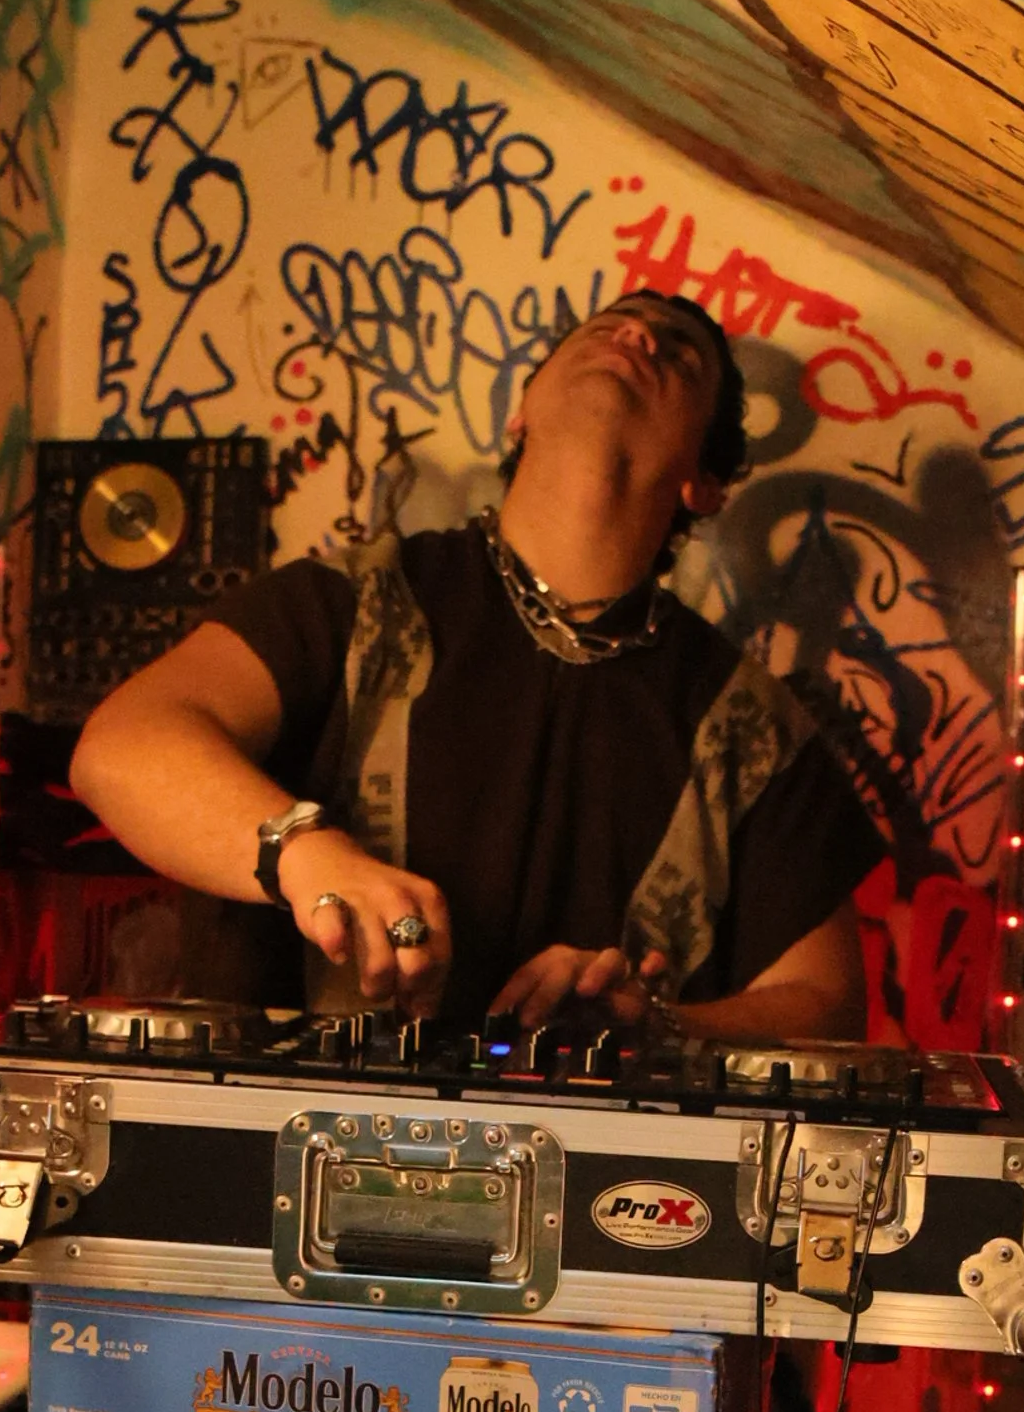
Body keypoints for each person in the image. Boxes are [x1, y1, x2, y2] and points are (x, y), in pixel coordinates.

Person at [69, 290, 886, 1033]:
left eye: (677, 351)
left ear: (704, 485)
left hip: (611, 1188)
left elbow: (828, 1003)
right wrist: (306, 850)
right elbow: (121, 747)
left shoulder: (748, 725)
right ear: (520, 416)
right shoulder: (348, 603)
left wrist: (657, 1029)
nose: (636, 333)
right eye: (606, 328)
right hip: (275, 1154)